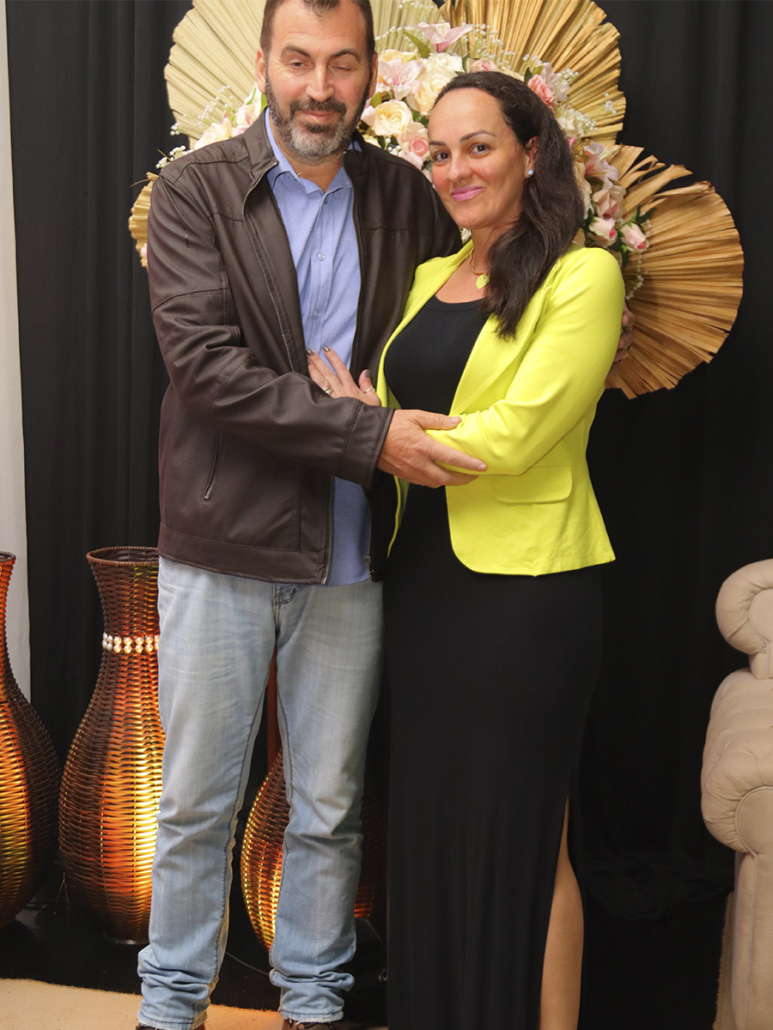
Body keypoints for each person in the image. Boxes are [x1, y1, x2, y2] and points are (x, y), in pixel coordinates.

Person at [134, 2, 491, 1028]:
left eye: (342, 63)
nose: (319, 87)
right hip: (220, 545)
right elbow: (206, 372)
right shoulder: (196, 191)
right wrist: (366, 434)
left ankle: (313, 1003)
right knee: (196, 804)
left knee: (329, 808)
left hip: (351, 554)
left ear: (371, 71)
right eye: (298, 60)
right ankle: (171, 1008)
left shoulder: (408, 198)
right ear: (263, 64)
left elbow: (451, 338)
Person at [307, 72, 626, 1030]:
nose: (455, 170)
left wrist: (380, 432)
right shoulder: (424, 279)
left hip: (526, 602)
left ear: (531, 151)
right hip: (422, 591)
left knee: (527, 844)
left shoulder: (583, 275)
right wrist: (372, 423)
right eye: (438, 152)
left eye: (477, 147)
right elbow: (395, 415)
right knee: (435, 832)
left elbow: (518, 432)